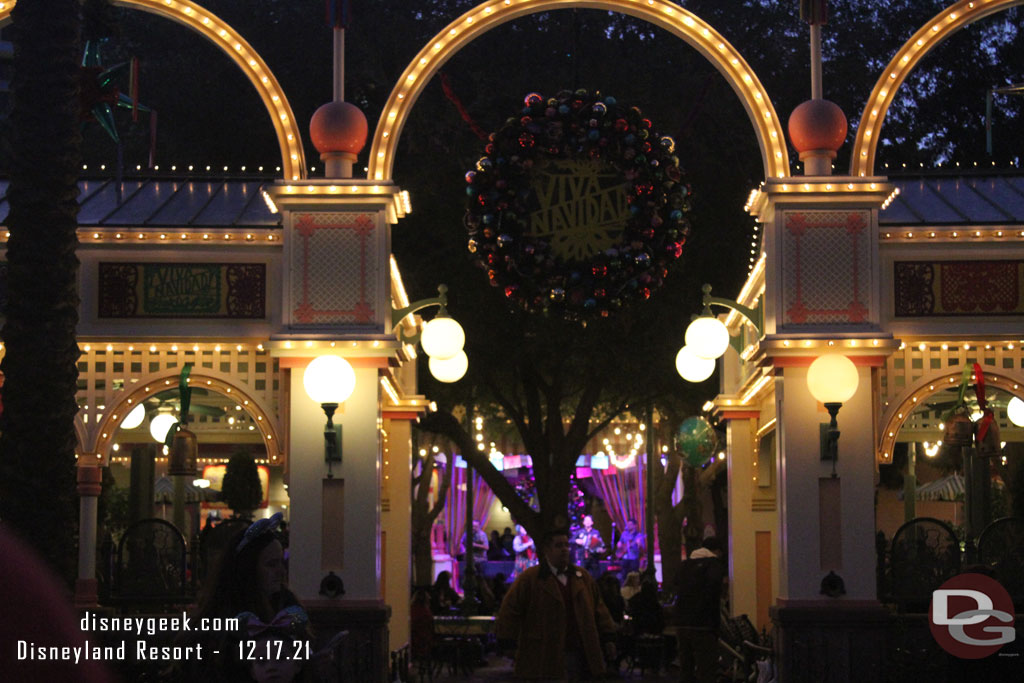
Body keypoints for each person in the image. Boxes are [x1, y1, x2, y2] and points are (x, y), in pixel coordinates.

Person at [497, 528, 618, 680]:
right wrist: (508, 642)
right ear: (547, 550)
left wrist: (608, 638)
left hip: (581, 652)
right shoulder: (530, 579)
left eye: (567, 545)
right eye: (559, 546)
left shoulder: (582, 577)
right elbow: (510, 611)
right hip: (544, 654)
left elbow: (599, 609)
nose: (565, 550)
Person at [672, 536, 726, 683]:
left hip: (681, 623)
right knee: (706, 669)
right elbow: (715, 586)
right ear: (717, 551)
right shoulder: (714, 565)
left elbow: (676, 583)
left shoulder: (685, 565)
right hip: (704, 624)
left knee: (686, 667)